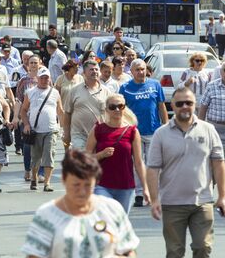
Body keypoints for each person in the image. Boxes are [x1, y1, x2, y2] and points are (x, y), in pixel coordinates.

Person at [23, 149, 139, 258]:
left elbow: (129, 252)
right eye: (76, 185)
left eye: (88, 185)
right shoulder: (46, 215)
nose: (82, 191)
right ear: (63, 180)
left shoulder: (112, 209)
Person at [147, 87, 225, 258]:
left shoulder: (208, 130)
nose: (185, 107)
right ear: (172, 107)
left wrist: (222, 196)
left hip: (202, 202)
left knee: (203, 248)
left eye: (189, 103)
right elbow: (153, 169)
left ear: (195, 104)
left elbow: (218, 164)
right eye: (180, 103)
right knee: (175, 253)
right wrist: (155, 200)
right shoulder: (161, 134)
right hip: (172, 203)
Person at [86, 94, 150, 214]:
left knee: (120, 223)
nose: (117, 109)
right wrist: (101, 155)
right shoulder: (98, 129)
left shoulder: (132, 131)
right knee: (106, 219)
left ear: (124, 108)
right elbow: (86, 158)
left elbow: (138, 162)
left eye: (120, 106)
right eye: (112, 106)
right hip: (102, 185)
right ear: (106, 110)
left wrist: (145, 188)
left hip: (126, 186)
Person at [119, 59, 168, 207]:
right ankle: (139, 194)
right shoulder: (125, 88)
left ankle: (154, 194)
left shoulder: (155, 85)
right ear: (132, 72)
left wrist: (166, 126)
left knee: (154, 163)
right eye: (137, 70)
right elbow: (121, 110)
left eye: (143, 69)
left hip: (154, 130)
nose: (141, 72)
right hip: (135, 132)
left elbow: (161, 106)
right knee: (137, 164)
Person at [21, 67, 63, 192]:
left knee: (49, 155)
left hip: (51, 129)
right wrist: (26, 124)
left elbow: (60, 111)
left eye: (47, 78)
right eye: (42, 78)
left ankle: (47, 182)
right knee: (35, 158)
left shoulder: (55, 92)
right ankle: (34, 178)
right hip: (35, 130)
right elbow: (23, 110)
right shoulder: (30, 92)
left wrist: (62, 127)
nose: (44, 80)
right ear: (38, 79)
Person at [199, 62, 225, 200]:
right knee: (214, 161)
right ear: (221, 71)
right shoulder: (212, 86)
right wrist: (200, 127)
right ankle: (208, 193)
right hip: (216, 129)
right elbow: (203, 107)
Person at [63, 60, 111, 149]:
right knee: (82, 160)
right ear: (84, 72)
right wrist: (66, 134)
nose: (95, 72)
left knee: (98, 161)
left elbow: (111, 113)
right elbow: (67, 113)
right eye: (91, 70)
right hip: (79, 136)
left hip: (100, 135)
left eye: (96, 69)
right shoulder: (74, 90)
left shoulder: (106, 91)